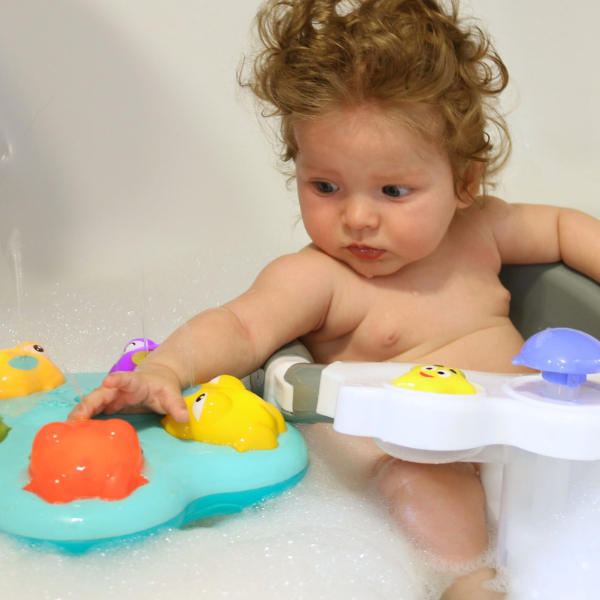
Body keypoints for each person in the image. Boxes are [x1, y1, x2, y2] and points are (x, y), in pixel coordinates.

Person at [68, 0, 600, 597]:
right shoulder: (320, 279)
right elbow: (241, 327)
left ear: (465, 181)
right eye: (325, 186)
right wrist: (163, 369)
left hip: (527, 451)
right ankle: (468, 581)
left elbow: (565, 229)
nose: (357, 218)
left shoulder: (481, 231)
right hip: (418, 463)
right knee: (422, 485)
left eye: (393, 191)